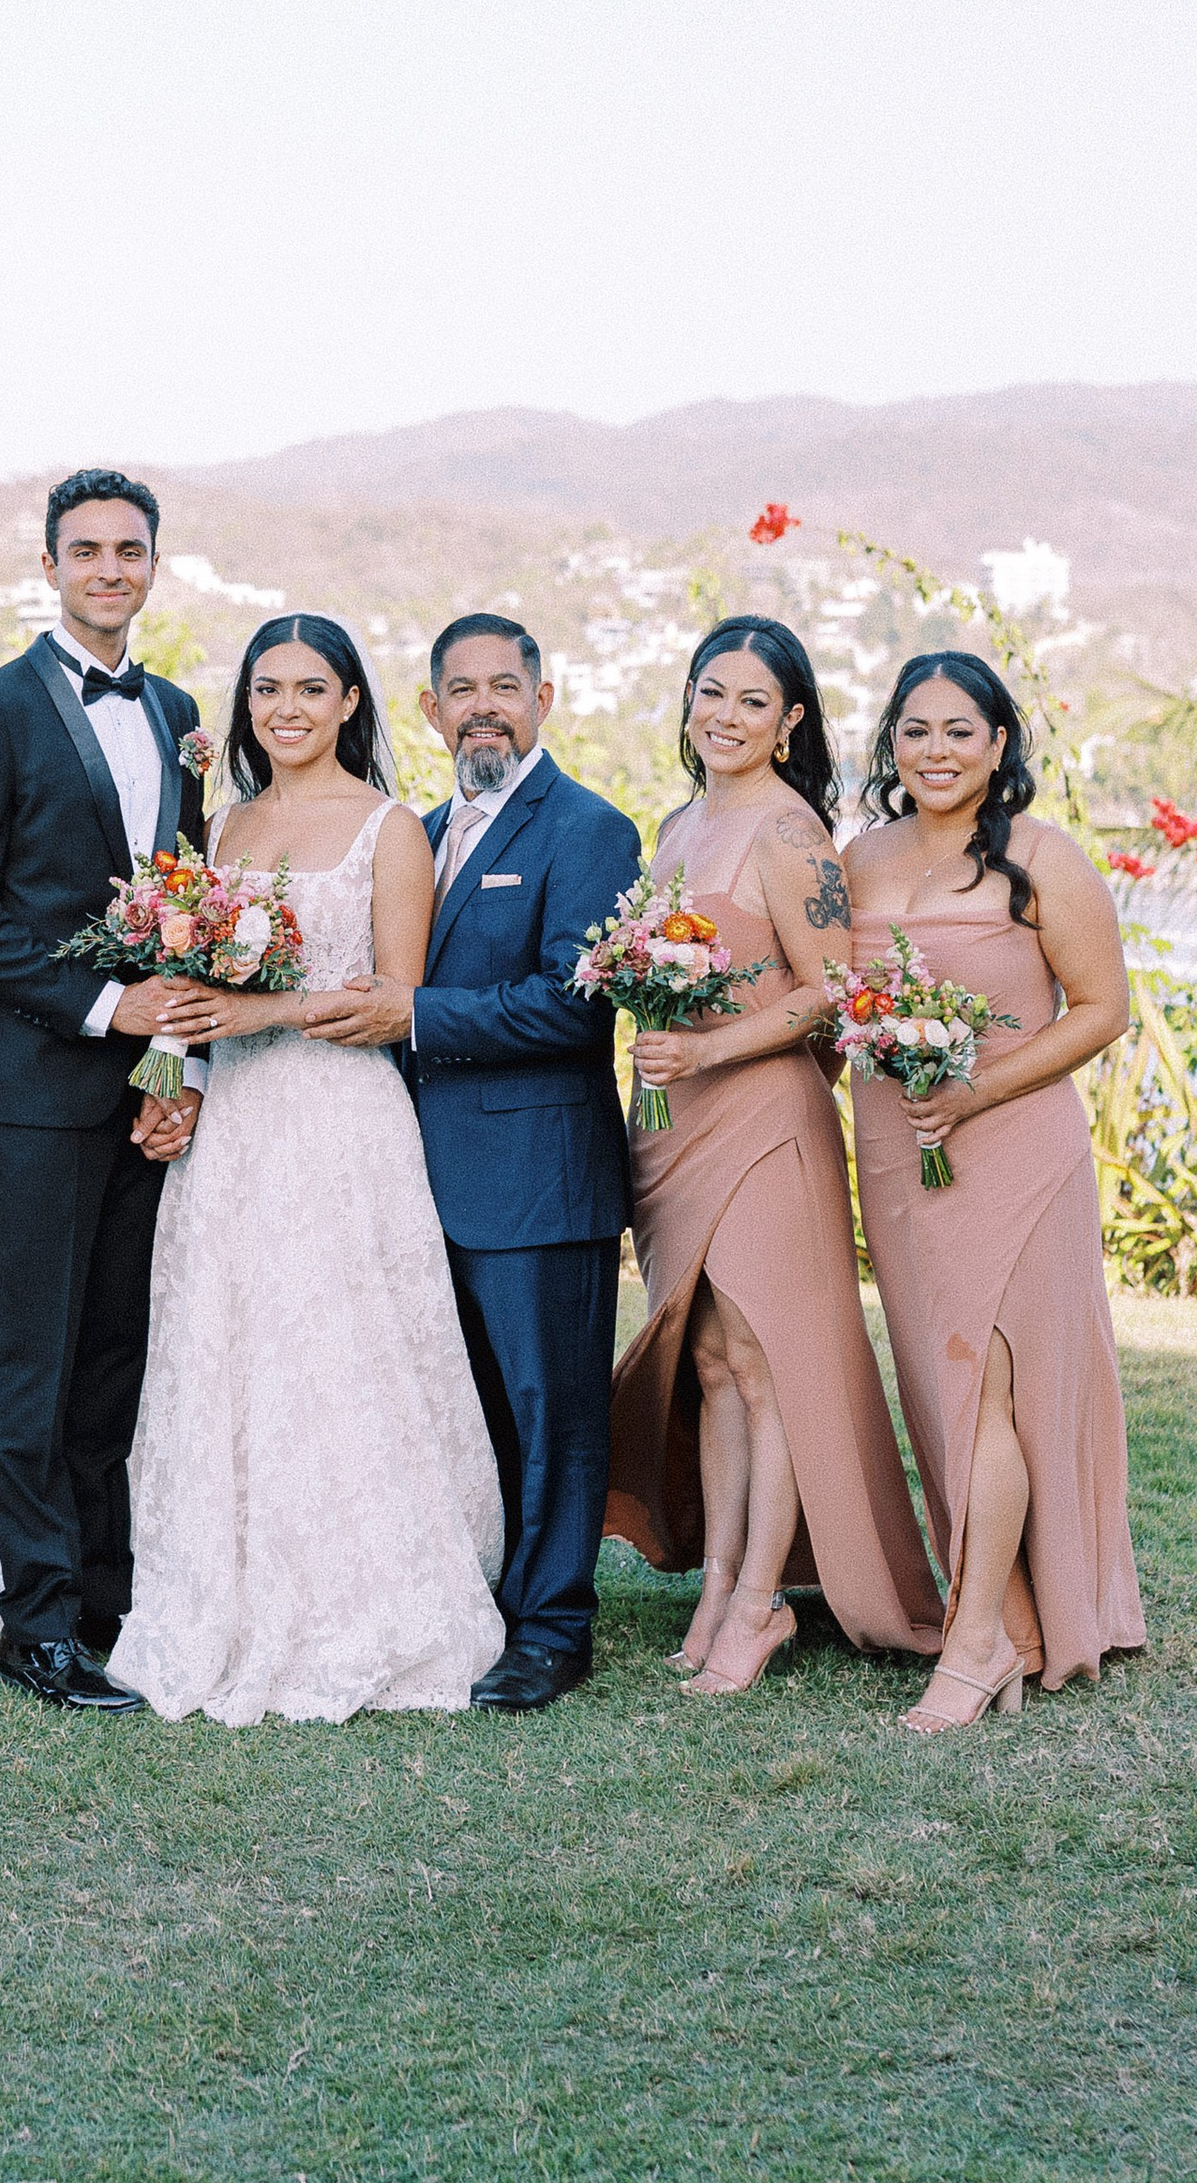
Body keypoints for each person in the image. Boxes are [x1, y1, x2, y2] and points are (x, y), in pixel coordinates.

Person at [114, 617, 506, 1721]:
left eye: (311, 689)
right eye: (267, 689)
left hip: (338, 1124)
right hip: (232, 1120)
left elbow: (393, 1003)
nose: (286, 709)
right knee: (228, 1342)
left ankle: (363, 1590)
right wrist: (172, 1078)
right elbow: (181, 984)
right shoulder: (222, 822)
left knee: (336, 1344)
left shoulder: (390, 831)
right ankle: (216, 1583)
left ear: (348, 704)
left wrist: (259, 1008)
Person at [301, 611, 642, 1711]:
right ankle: (478, 1604)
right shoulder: (422, 827)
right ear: (430, 708)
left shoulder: (587, 830)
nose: (482, 704)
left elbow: (574, 1007)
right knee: (463, 1408)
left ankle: (551, 1630)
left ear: (546, 699)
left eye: (505, 684)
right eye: (462, 688)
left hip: (537, 1175)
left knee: (551, 1412)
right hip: (412, 1180)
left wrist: (416, 1014)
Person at [605, 615, 943, 1691]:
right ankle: (715, 1588)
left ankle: (760, 1607)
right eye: (712, 692)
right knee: (708, 1366)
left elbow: (829, 995)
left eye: (754, 701)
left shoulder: (791, 837)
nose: (726, 717)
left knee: (764, 1365)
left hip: (760, 1125)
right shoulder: (675, 823)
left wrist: (709, 1044)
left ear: (791, 719)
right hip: (673, 1129)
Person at [0, 472, 206, 1713]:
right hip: (35, 1085)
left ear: (152, 567)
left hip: (144, 1093)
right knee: (33, 1354)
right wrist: (103, 1010)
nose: (107, 569)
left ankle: (103, 1599)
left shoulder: (183, 710)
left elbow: (189, 912)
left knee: (114, 1355)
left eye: (127, 550)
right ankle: (31, 1623)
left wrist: (174, 1059)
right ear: (47, 567)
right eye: (83, 550)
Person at [845, 654, 1142, 1728]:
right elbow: (830, 996)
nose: (934, 751)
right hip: (896, 1146)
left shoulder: (1042, 857)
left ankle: (978, 1644)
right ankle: (1003, 1614)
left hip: (1011, 1143)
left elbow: (1100, 1008)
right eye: (914, 731)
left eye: (958, 731)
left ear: (999, 745)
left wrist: (976, 1088)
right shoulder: (859, 857)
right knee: (938, 1377)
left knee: (991, 1387)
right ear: (891, 745)